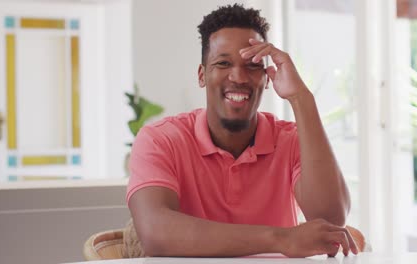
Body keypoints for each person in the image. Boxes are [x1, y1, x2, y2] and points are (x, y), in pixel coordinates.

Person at [127, 4, 358, 258]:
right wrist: (280, 239)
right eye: (223, 63)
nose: (238, 77)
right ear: (202, 75)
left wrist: (301, 98)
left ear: (267, 78)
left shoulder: (291, 140)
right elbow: (156, 233)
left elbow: (330, 219)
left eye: (253, 65)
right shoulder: (161, 140)